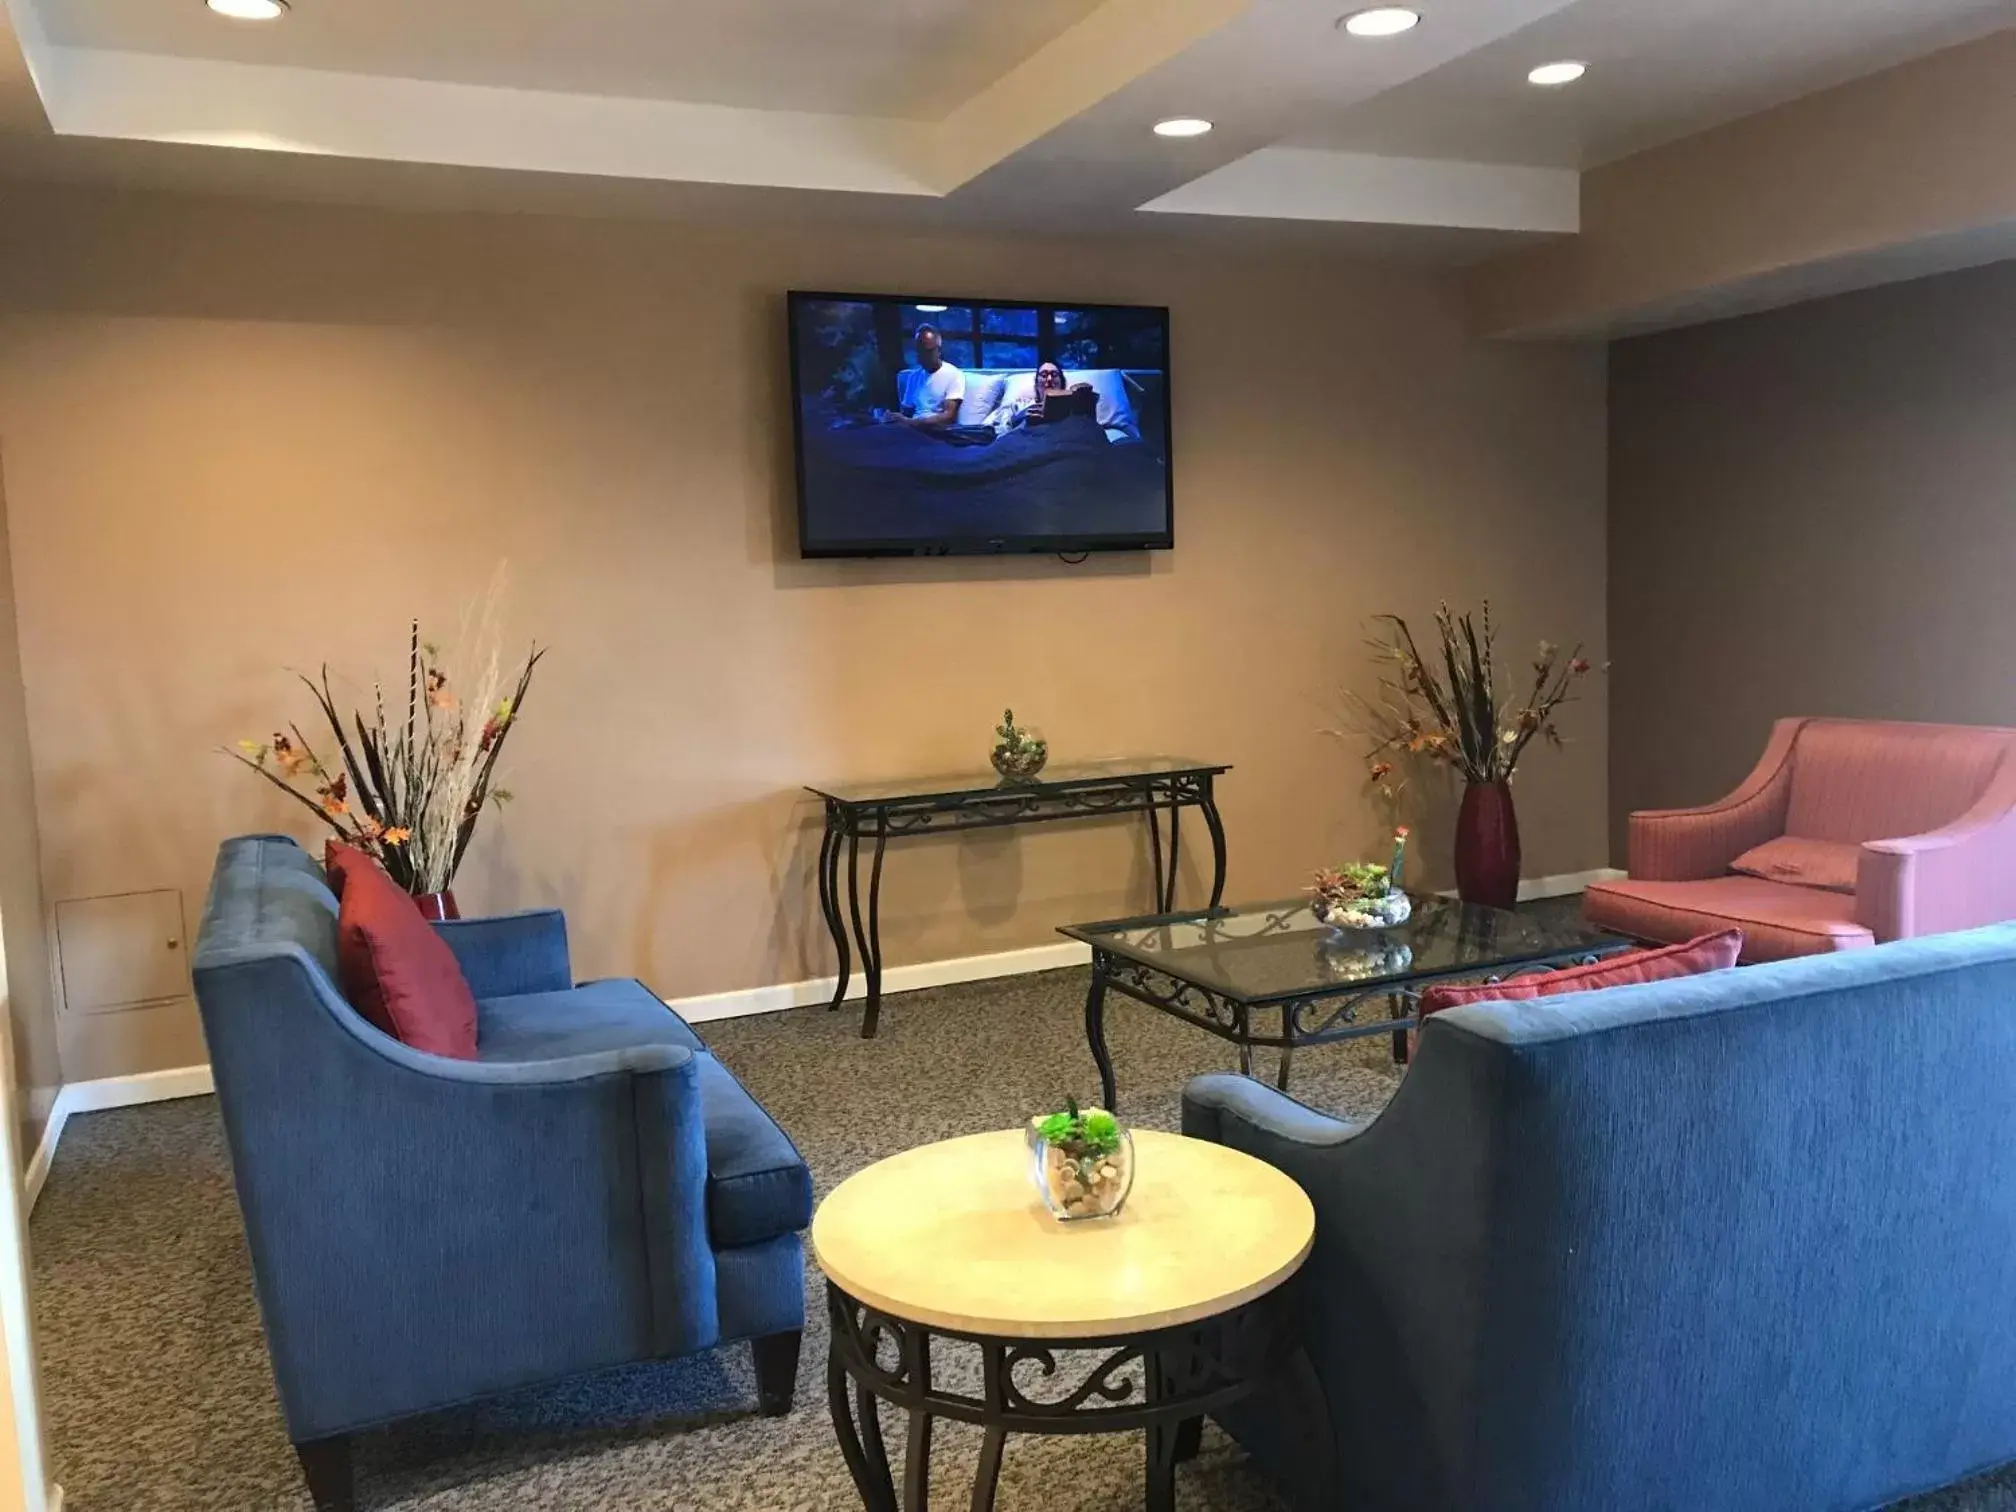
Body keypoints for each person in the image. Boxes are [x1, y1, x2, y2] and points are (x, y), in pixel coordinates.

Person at [886, 325, 964, 429]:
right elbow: (906, 412)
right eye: (920, 351)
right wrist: (895, 417)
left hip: (936, 430)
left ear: (939, 350)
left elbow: (949, 417)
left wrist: (913, 422)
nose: (923, 355)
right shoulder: (914, 376)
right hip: (912, 430)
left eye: (928, 351)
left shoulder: (954, 374)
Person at [997, 361, 1097, 431]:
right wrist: (1020, 420)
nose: (1049, 379)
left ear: (1062, 383)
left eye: (1054, 374)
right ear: (1036, 384)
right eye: (1044, 375)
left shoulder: (1075, 407)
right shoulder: (1019, 406)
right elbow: (998, 432)